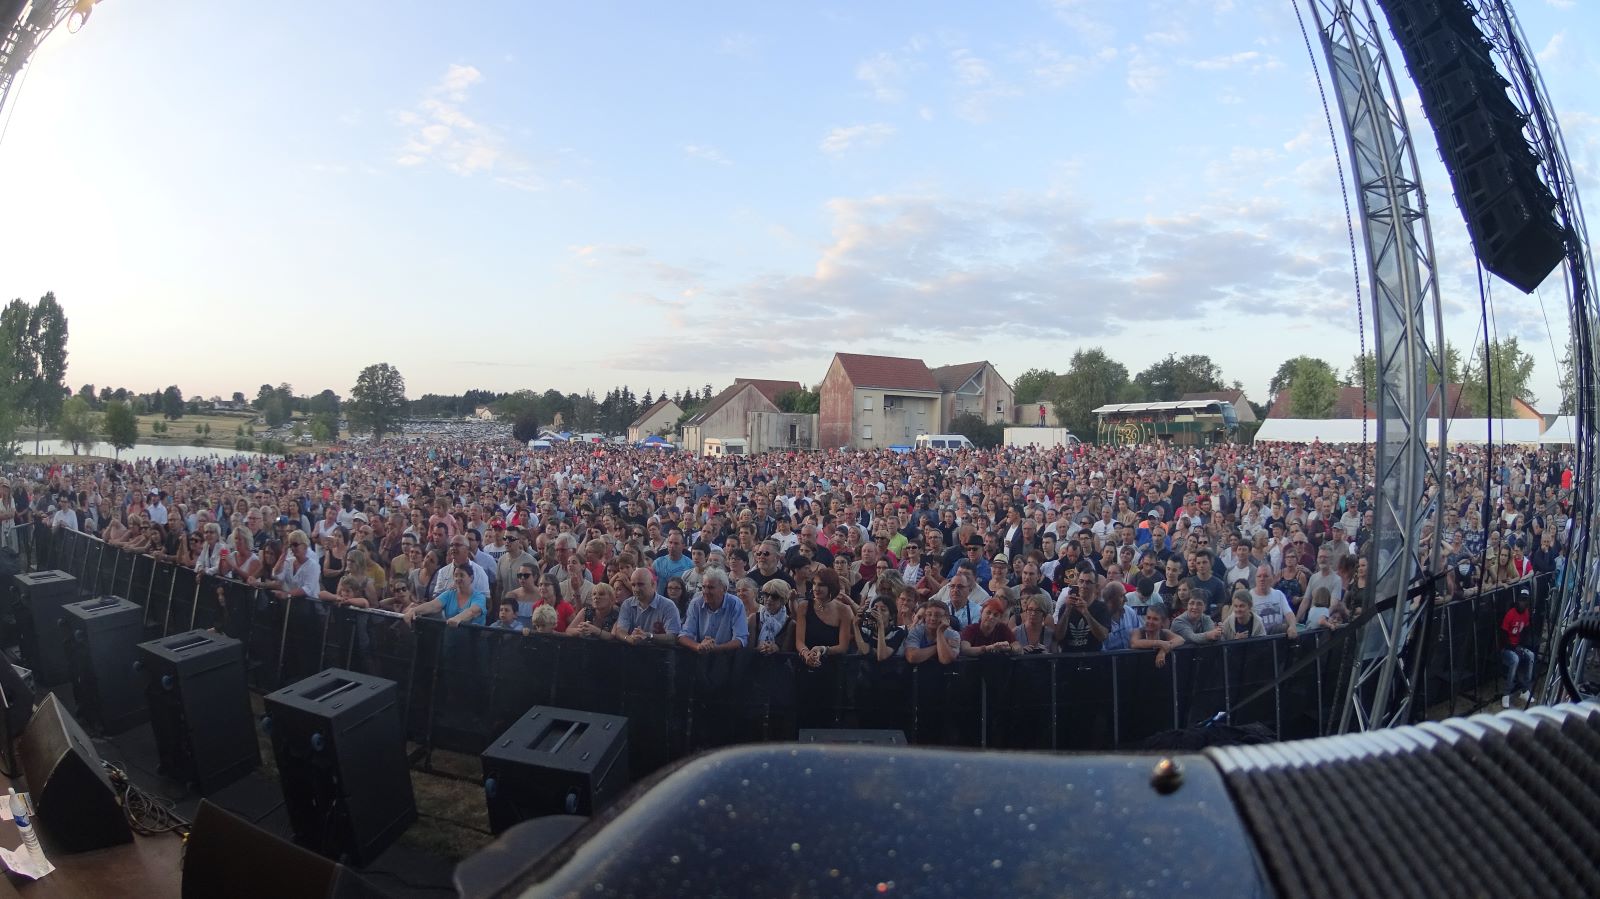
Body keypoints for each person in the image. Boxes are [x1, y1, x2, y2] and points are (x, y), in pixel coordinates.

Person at [677, 568, 748, 653]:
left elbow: (741, 639)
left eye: (711, 588)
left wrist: (715, 648)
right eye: (703, 587)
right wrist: (699, 646)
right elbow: (683, 636)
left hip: (726, 656)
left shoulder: (735, 604)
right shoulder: (696, 603)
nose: (706, 591)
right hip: (699, 655)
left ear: (724, 589)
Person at [793, 568, 853, 667]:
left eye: (821, 585)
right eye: (814, 583)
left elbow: (843, 646)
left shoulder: (844, 610)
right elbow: (799, 641)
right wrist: (806, 654)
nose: (816, 588)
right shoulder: (804, 606)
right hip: (806, 663)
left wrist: (823, 649)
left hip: (833, 665)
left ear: (831, 587)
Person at [614, 568, 682, 645]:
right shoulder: (627, 604)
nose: (636, 589)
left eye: (640, 584)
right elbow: (620, 631)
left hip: (661, 654)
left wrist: (649, 636)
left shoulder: (668, 606)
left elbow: (673, 637)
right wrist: (629, 638)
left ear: (653, 584)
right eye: (633, 585)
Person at [403, 565, 486, 628]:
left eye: (462, 575)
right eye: (456, 575)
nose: (458, 578)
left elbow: (472, 611)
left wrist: (458, 619)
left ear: (471, 578)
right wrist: (413, 610)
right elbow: (433, 605)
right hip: (451, 638)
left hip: (473, 641)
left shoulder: (479, 597)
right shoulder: (449, 594)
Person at [1500, 585, 1534, 708]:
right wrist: (1512, 647)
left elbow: (1525, 631)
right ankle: (1506, 694)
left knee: (1531, 656)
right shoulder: (1510, 614)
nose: (1523, 603)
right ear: (1517, 600)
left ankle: (1525, 690)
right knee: (1515, 660)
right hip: (1507, 648)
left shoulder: (1526, 613)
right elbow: (1503, 635)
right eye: (1521, 600)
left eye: (1525, 600)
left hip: (1517, 646)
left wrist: (1521, 646)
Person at [903, 600, 961, 665]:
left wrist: (940, 632)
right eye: (929, 614)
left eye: (937, 615)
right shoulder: (916, 630)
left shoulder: (953, 635)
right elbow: (912, 657)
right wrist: (937, 646)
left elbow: (945, 660)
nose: (933, 618)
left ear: (946, 618)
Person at [1129, 603, 1185, 667]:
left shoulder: (1164, 632)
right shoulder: (1138, 632)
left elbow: (1181, 639)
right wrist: (1159, 643)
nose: (1150, 622)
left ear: (1162, 622)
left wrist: (1163, 651)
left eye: (1155, 619)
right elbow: (1134, 643)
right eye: (1148, 618)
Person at [754, 580, 794, 654]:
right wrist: (759, 648)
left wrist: (776, 648)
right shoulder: (753, 618)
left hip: (778, 663)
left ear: (783, 600)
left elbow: (787, 651)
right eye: (766, 594)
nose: (769, 599)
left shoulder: (790, 623)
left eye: (774, 596)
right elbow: (747, 649)